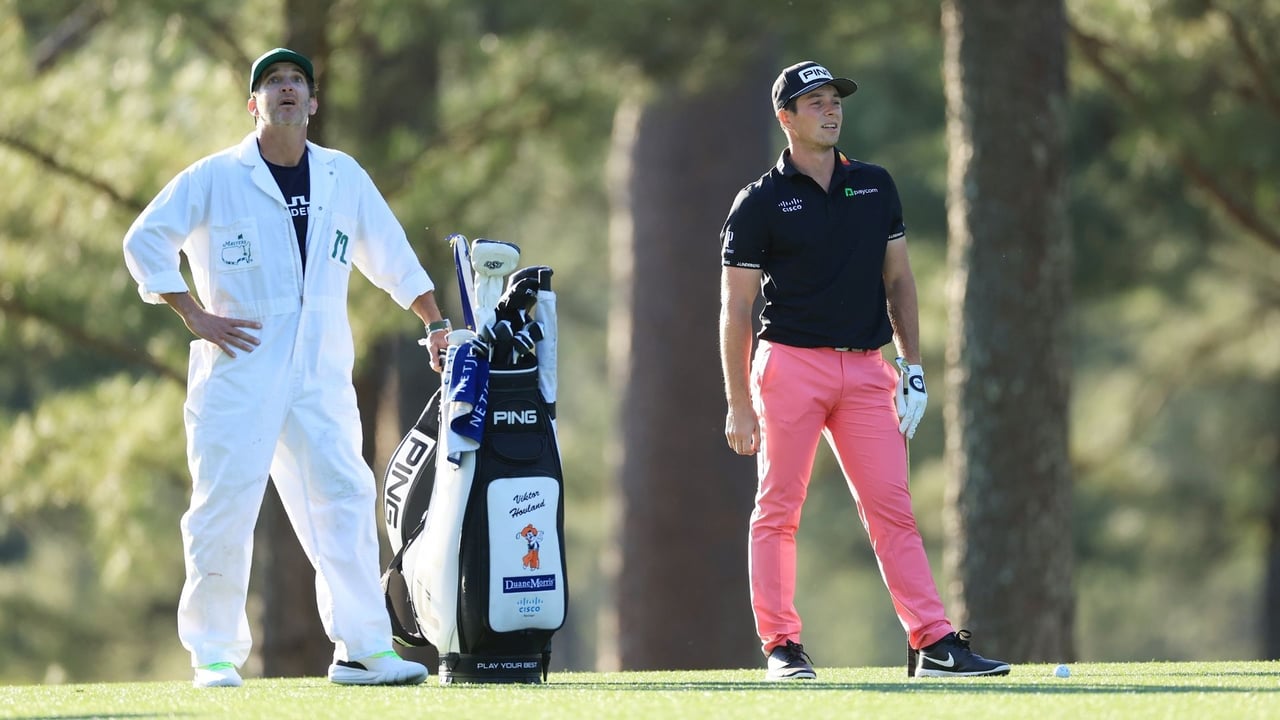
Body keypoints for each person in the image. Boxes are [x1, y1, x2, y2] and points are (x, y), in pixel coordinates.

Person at [123, 48, 450, 688]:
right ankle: (214, 654)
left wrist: (434, 321)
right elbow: (144, 240)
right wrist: (193, 312)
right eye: (273, 82)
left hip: (319, 370)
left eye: (297, 80)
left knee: (344, 499)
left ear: (313, 102)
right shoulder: (215, 177)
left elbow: (390, 252)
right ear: (254, 104)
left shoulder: (341, 176)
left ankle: (362, 649)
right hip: (239, 366)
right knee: (224, 505)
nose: (287, 89)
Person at [718, 60, 1011, 681]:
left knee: (892, 509)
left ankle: (933, 642)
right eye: (816, 102)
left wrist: (914, 366)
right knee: (779, 509)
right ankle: (781, 647)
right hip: (790, 366)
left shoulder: (874, 185)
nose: (831, 111)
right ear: (786, 117)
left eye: (836, 101)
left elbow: (898, 279)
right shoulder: (759, 201)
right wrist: (738, 400)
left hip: (867, 370)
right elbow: (736, 308)